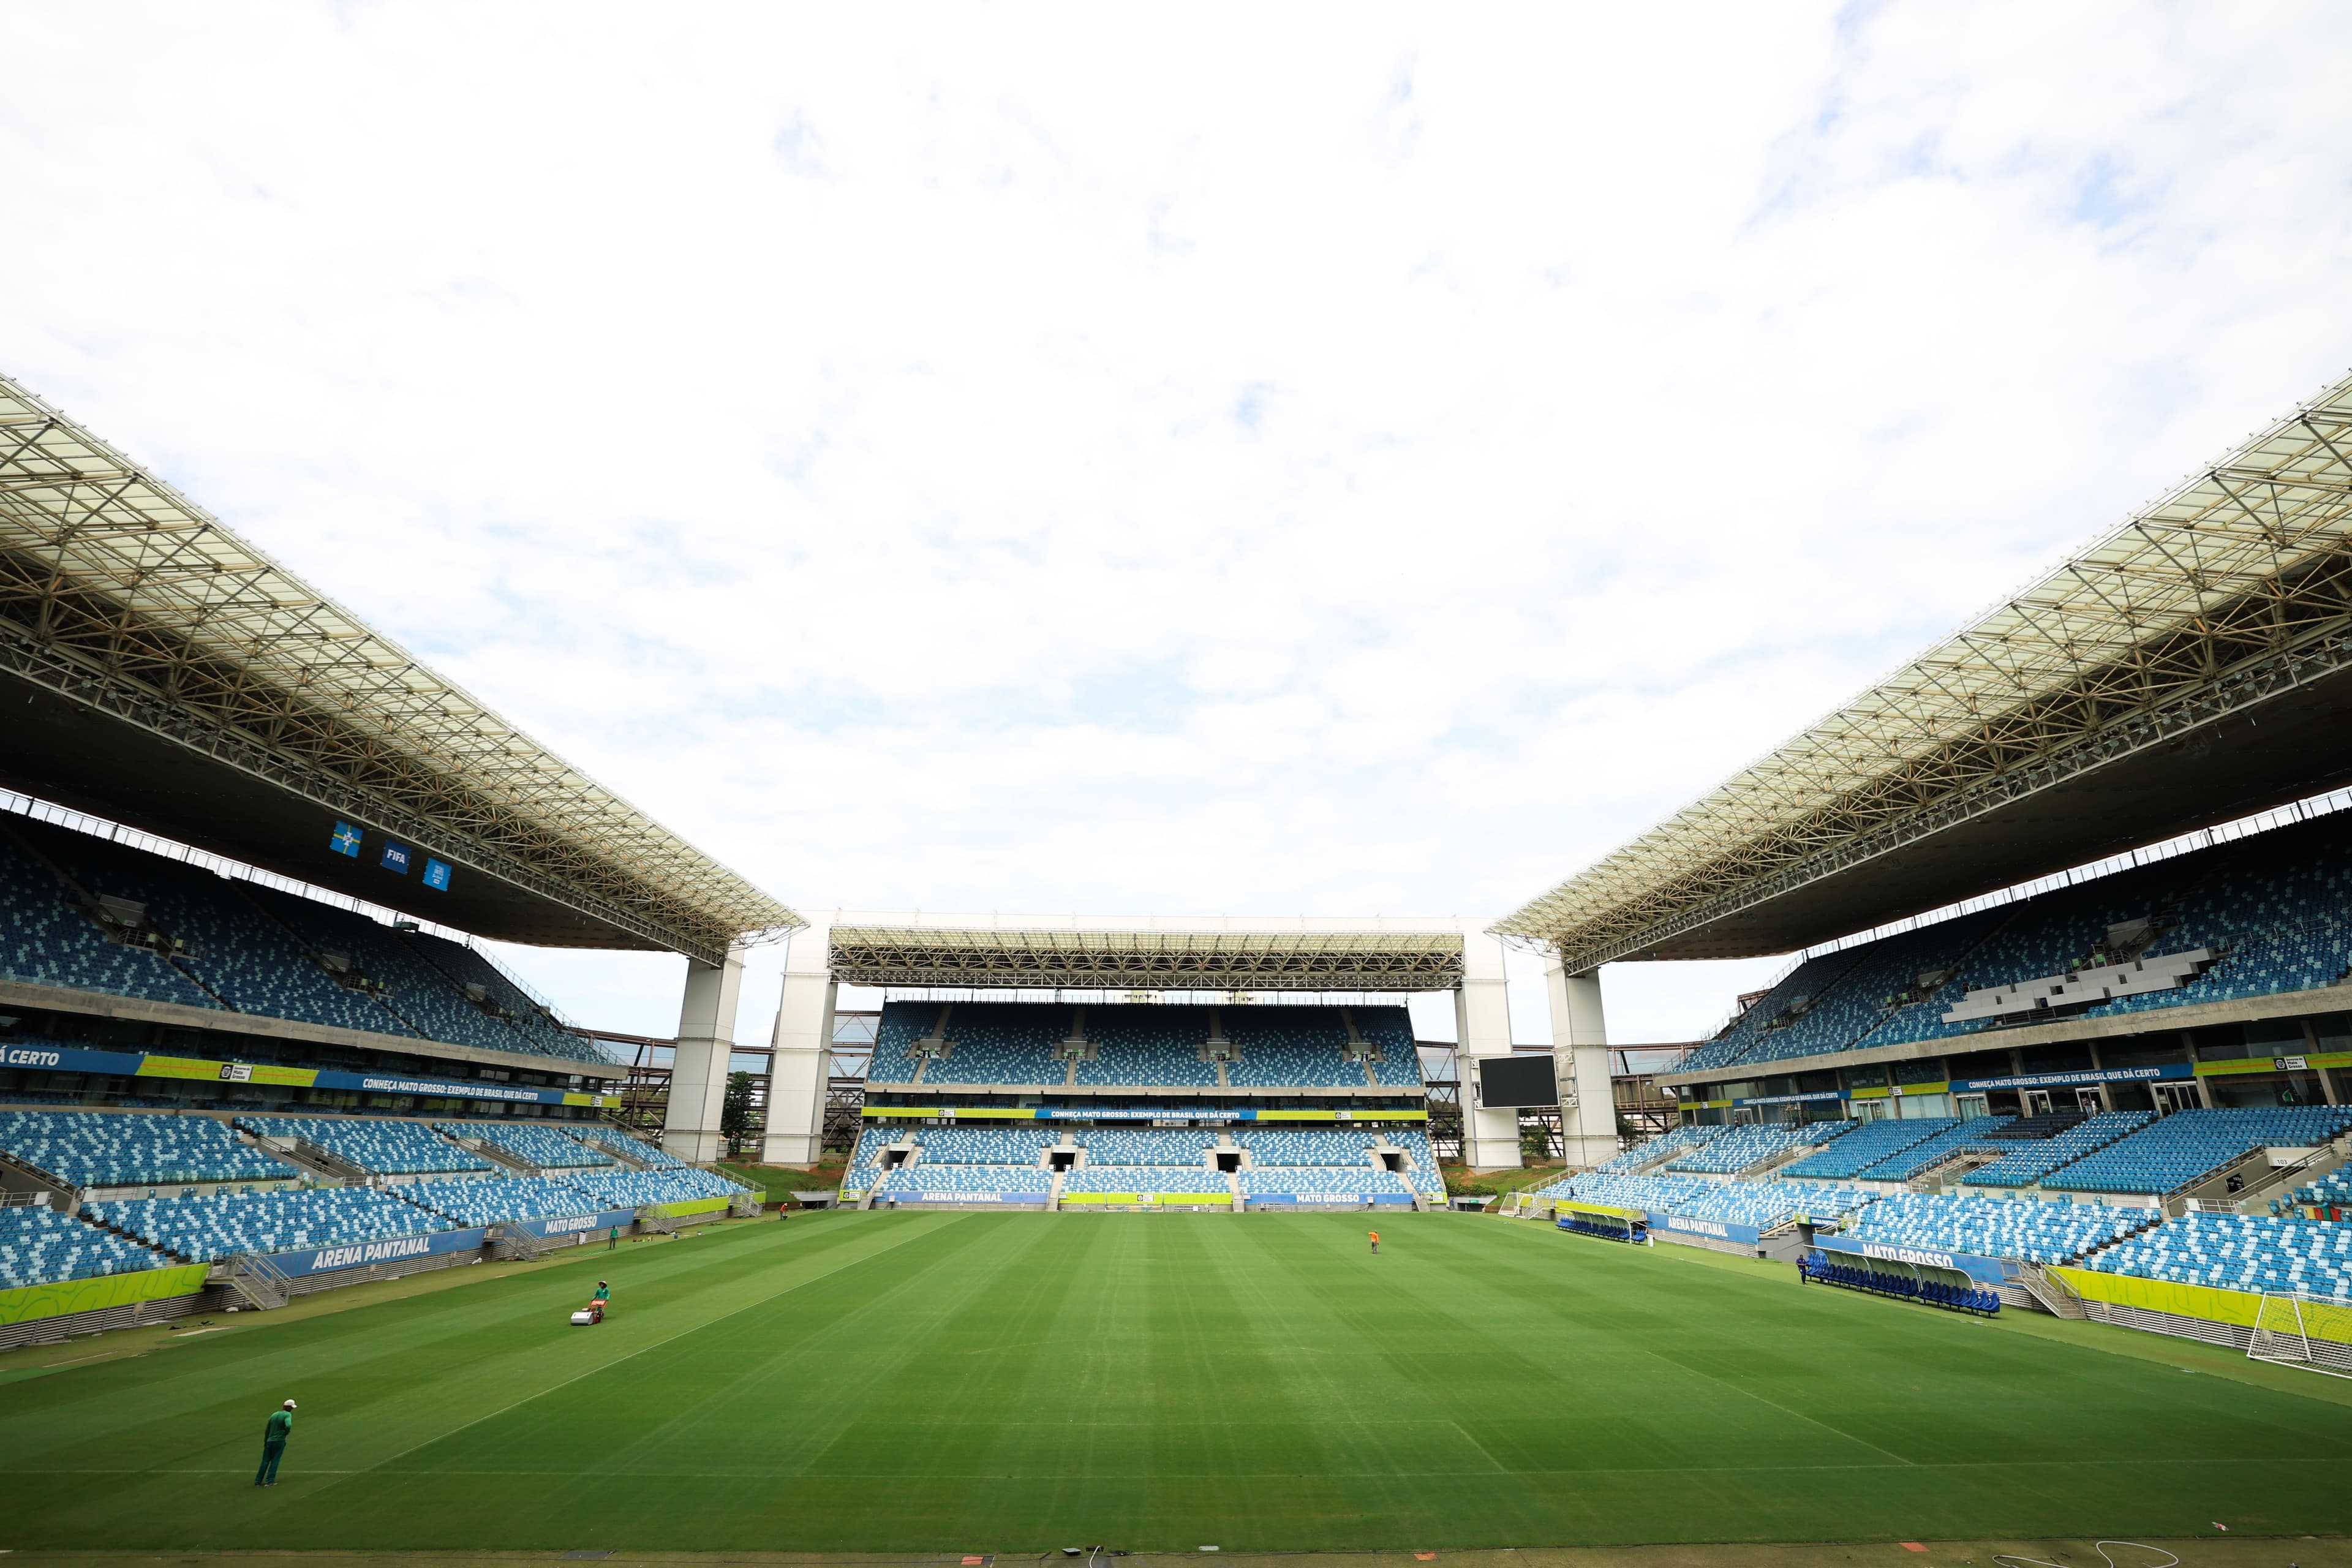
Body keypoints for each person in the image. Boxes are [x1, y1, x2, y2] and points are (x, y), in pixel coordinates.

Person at [254, 1399, 295, 1487]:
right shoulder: (287, 1415)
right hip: (279, 1441)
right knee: (275, 1461)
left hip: (270, 1441)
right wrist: (286, 1433)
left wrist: (266, 1441)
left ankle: (258, 1481)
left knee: (265, 1461)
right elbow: (288, 1425)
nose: (292, 1409)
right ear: (288, 1407)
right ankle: (270, 1480)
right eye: (291, 1408)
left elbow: (267, 1430)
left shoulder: (274, 1415)